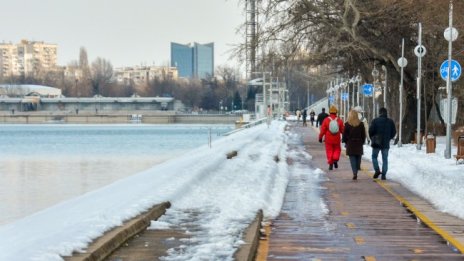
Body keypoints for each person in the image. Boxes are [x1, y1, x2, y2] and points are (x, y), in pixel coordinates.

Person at [369, 107, 397, 180]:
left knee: (374, 156)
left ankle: (377, 170)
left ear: (379, 113)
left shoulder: (375, 121)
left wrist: (373, 137)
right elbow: (394, 132)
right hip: (386, 143)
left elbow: (371, 131)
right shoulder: (390, 121)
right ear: (386, 113)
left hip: (376, 143)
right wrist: (389, 138)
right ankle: (384, 174)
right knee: (385, 159)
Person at [318, 105, 344, 170]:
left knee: (329, 150)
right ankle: (335, 159)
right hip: (337, 138)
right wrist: (345, 137)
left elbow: (322, 130)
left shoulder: (326, 120)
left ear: (330, 112)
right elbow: (343, 130)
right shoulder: (339, 120)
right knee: (337, 149)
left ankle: (330, 163)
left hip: (328, 138)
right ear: (336, 112)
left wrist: (320, 137)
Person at [342, 110, 366, 180]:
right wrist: (362, 141)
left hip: (350, 143)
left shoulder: (347, 124)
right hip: (358, 143)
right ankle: (357, 167)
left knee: (352, 159)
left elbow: (344, 135)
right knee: (358, 157)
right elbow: (363, 134)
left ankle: (354, 172)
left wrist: (346, 142)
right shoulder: (361, 124)